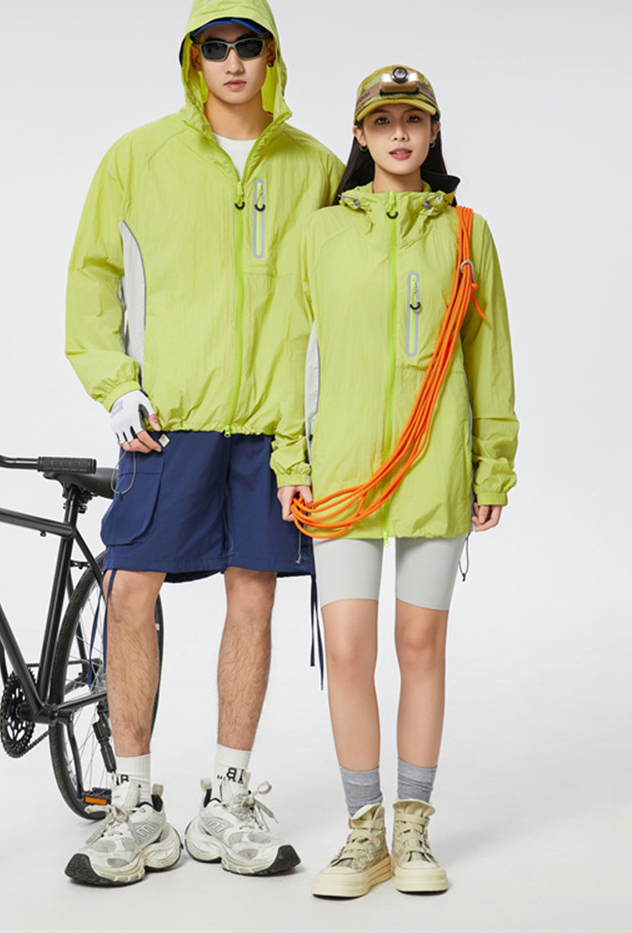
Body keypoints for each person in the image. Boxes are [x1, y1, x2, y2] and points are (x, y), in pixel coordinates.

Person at [63, 0, 342, 887]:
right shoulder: (137, 157)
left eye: (246, 44)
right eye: (214, 46)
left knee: (253, 595)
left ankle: (228, 796)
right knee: (129, 591)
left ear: (271, 56)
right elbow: (92, 277)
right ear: (193, 57)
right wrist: (116, 386)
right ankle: (133, 801)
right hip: (168, 420)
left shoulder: (315, 167)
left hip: (272, 427)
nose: (231, 62)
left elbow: (346, 291)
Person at [276, 65, 518, 898]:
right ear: (361, 135)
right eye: (383, 122)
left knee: (420, 646)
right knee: (346, 649)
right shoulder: (319, 234)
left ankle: (413, 829)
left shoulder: (466, 233)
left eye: (413, 120)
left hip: (434, 470)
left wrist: (493, 462)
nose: (400, 135)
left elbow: (490, 357)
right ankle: (363, 834)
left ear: (433, 131)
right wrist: (291, 462)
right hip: (344, 474)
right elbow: (292, 353)